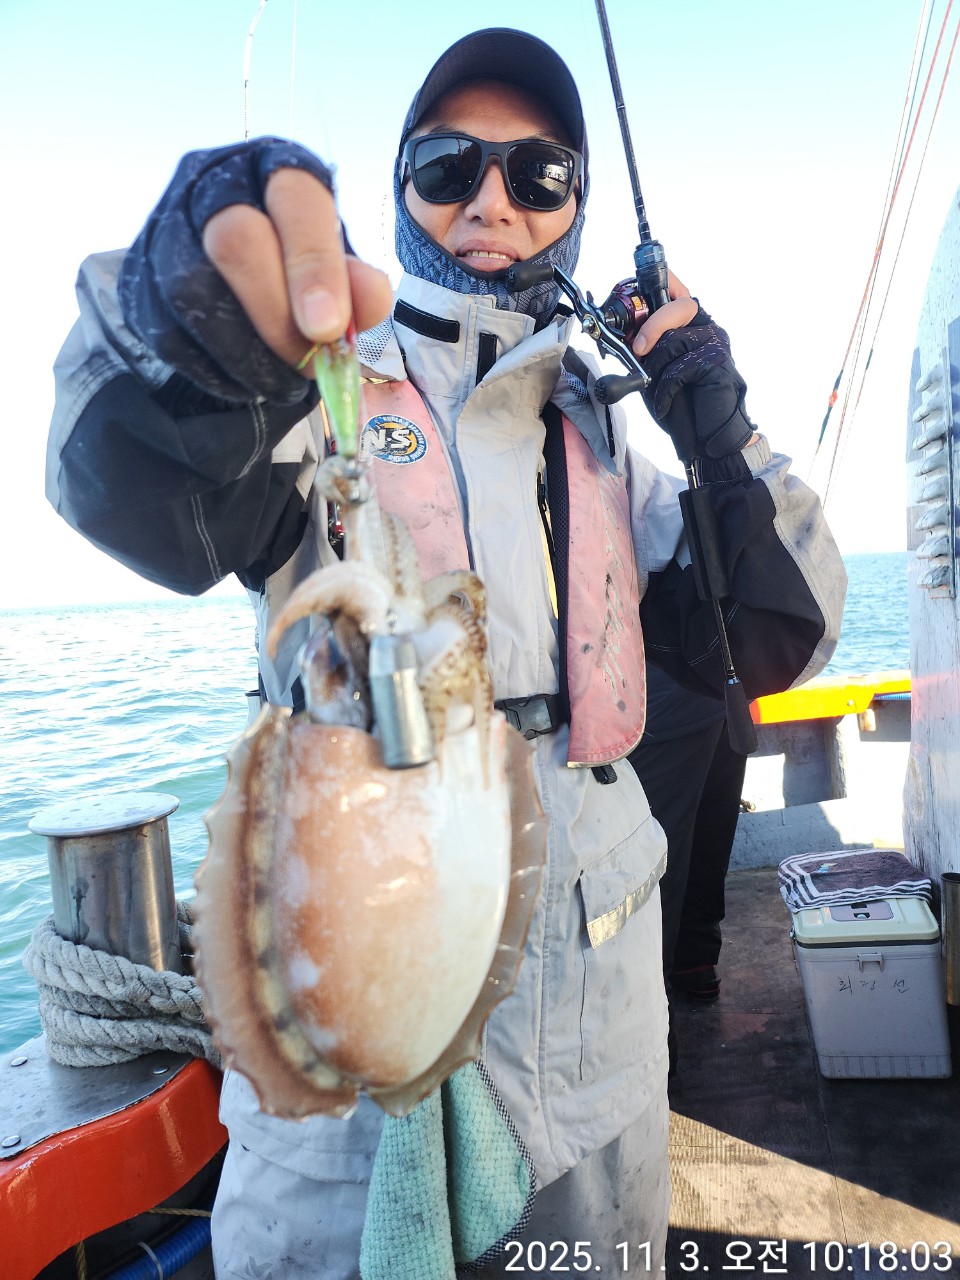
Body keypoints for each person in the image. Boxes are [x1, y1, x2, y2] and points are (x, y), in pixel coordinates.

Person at [47, 27, 846, 1277]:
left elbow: (778, 632)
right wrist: (190, 315)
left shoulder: (612, 433)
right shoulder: (307, 392)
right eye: (447, 167)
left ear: (576, 207)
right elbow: (127, 479)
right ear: (400, 186)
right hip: (350, 1049)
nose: (491, 203)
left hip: (598, 1053)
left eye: (540, 176)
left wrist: (709, 406)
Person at [628, 664, 748, 1010]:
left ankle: (651, 1008)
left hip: (660, 697)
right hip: (725, 685)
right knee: (709, 832)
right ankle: (695, 960)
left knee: (655, 855)